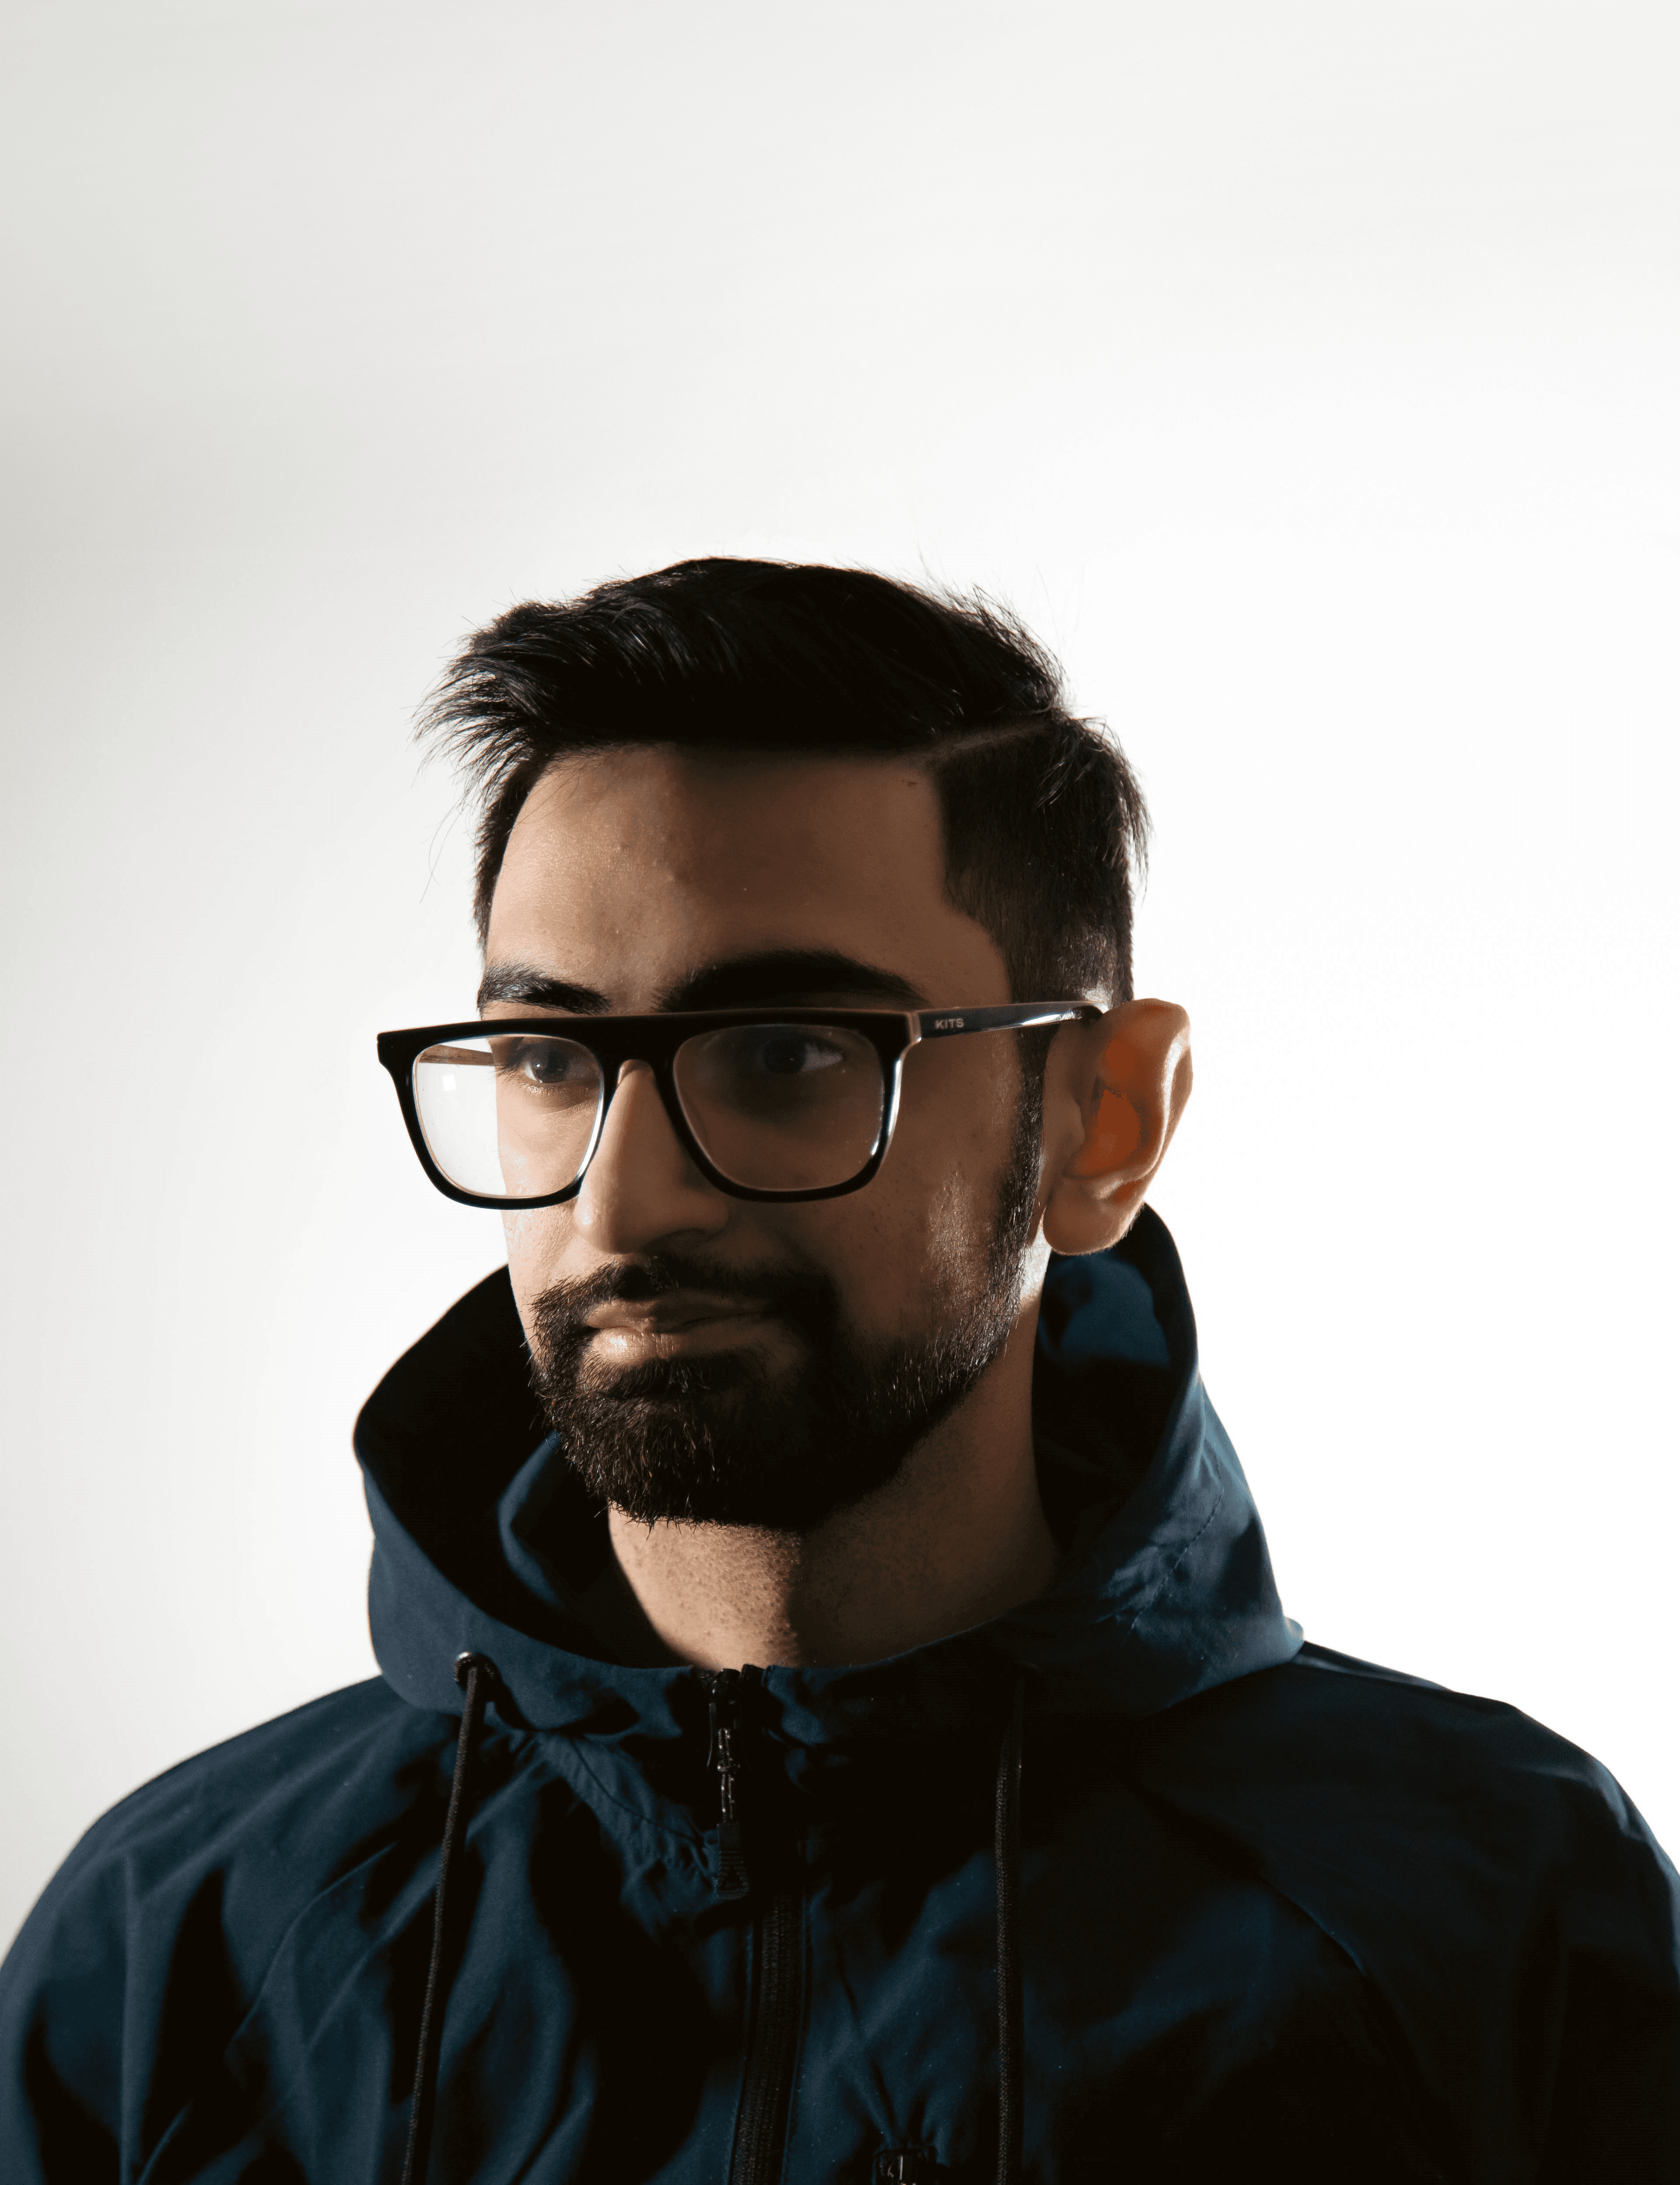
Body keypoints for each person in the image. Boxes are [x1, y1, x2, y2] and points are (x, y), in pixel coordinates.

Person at [1, 559, 1675, 2185]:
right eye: (547, 1058)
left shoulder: (1495, 1919)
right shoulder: (181, 1946)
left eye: (791, 1054)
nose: (621, 1203)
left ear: (1102, 1120)